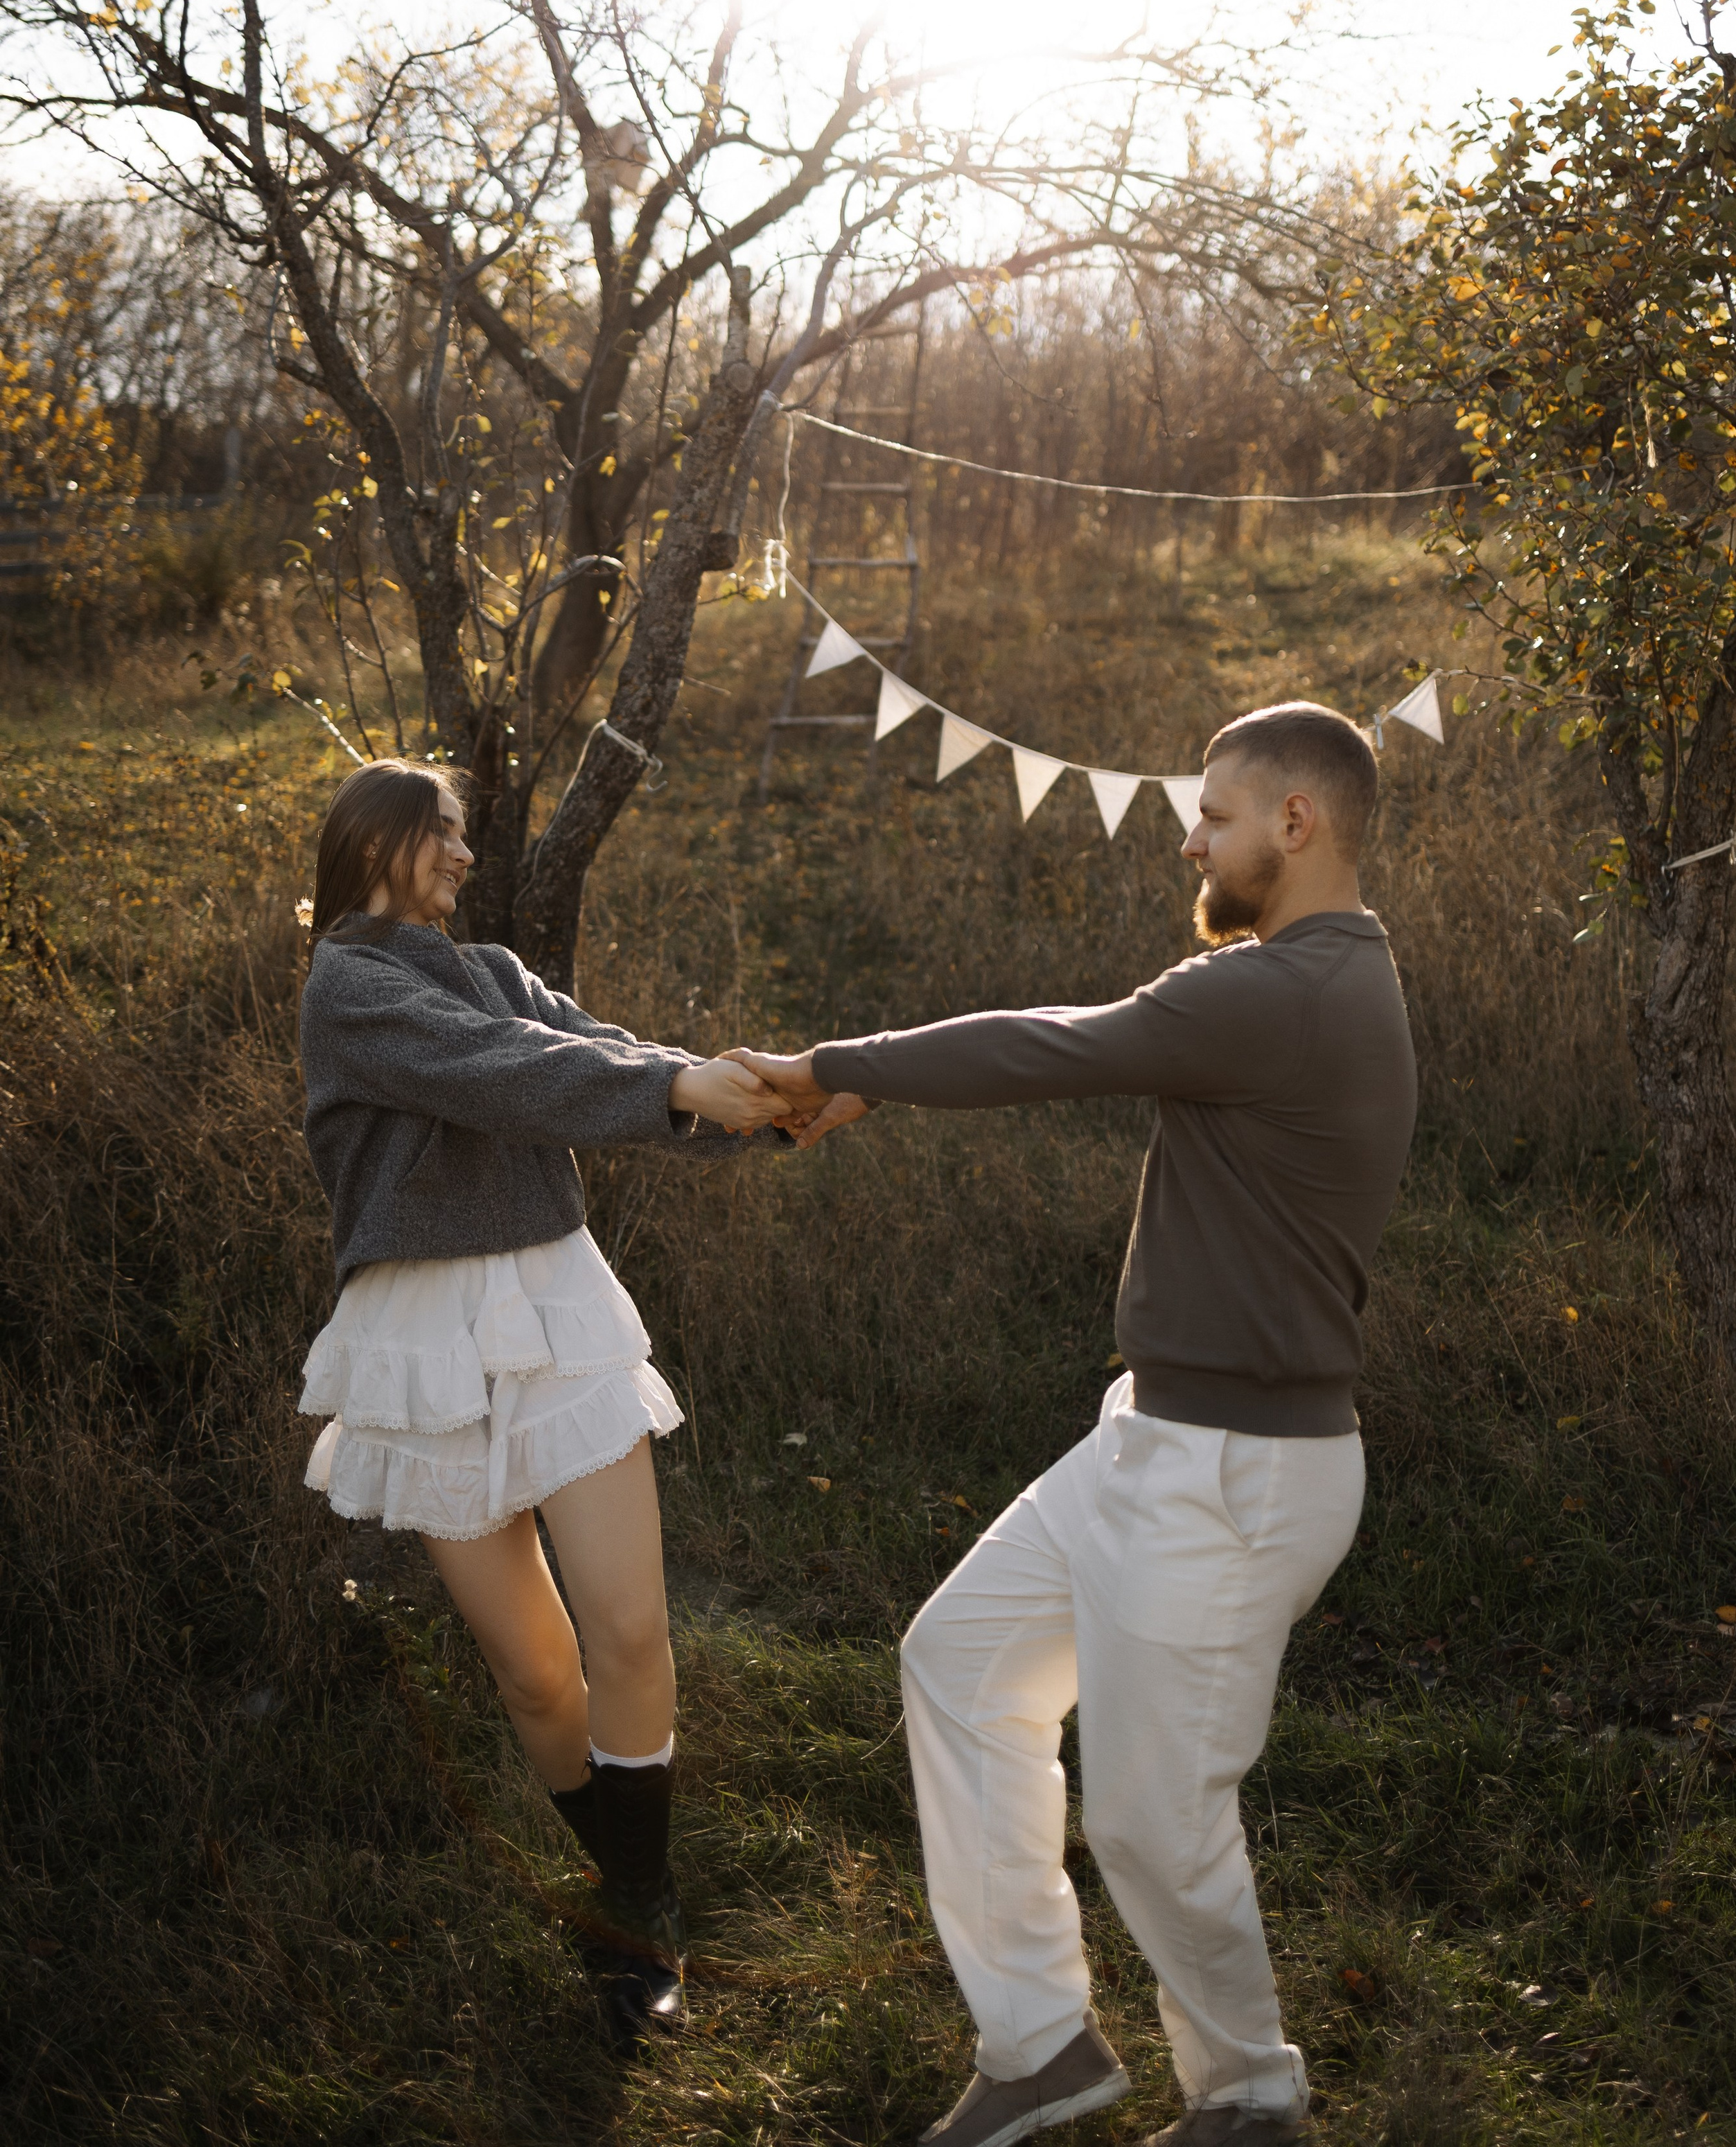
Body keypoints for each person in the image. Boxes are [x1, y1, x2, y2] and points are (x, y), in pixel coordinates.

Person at [728, 701, 1419, 2147]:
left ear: (1294, 825)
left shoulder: (1283, 990)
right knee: (963, 1667)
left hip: (1235, 1477)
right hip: (1151, 1440)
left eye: (1216, 816)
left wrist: (836, 1063)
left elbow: (1053, 1043)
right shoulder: (1294, 977)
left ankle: (1247, 2096)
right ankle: (1039, 2047)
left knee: (1152, 1825)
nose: (1192, 840)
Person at [295, 757, 794, 2042]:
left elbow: (590, 1049)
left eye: (463, 833)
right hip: (417, 1333)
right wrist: (678, 1089)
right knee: (531, 1674)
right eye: (445, 834)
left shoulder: (494, 965)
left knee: (626, 1633)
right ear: (375, 843)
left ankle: (638, 1907)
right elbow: (496, 1070)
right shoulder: (347, 990)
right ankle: (626, 1875)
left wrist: (746, 1094)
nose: (465, 854)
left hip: (552, 1303)